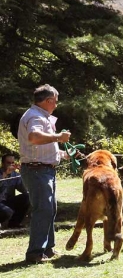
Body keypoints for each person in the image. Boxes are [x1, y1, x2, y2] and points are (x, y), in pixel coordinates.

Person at [18, 84, 74, 263]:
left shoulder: (41, 116)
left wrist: (62, 154)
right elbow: (34, 137)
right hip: (37, 170)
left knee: (49, 209)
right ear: (48, 100)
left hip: (43, 169)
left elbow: (41, 147)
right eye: (55, 101)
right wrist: (59, 137)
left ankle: (48, 248)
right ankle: (35, 253)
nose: (56, 105)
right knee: (43, 210)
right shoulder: (35, 116)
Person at [0, 155, 30, 229]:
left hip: (8, 201)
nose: (11, 165)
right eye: (8, 163)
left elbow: (25, 189)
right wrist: (5, 175)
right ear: (3, 163)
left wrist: (23, 174)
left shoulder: (15, 175)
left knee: (27, 197)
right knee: (7, 211)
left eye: (12, 163)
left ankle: (14, 224)